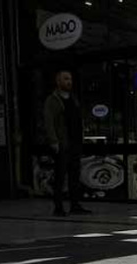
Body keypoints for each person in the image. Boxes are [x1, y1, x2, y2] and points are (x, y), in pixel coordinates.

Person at [43, 70, 89, 216]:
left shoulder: (73, 98)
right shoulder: (52, 100)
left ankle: (75, 205)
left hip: (75, 143)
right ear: (58, 81)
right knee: (60, 176)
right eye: (66, 79)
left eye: (70, 79)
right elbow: (49, 121)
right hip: (62, 143)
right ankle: (58, 207)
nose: (69, 81)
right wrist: (54, 141)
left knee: (74, 176)